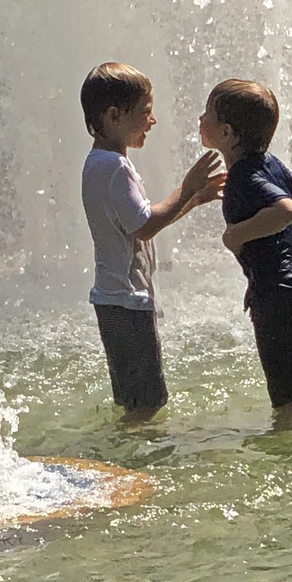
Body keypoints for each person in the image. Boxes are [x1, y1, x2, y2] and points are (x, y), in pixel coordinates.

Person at [81, 62, 225, 420]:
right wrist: (187, 187)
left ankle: (126, 455)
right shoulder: (115, 167)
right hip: (127, 301)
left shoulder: (98, 163)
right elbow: (144, 225)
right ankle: (131, 465)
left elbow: (137, 222)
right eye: (145, 111)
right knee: (147, 402)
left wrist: (192, 201)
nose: (153, 120)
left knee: (135, 398)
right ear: (114, 116)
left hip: (114, 298)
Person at [199, 79, 292, 413]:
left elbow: (287, 210)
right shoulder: (271, 162)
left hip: (280, 296)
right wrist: (273, 249)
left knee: (287, 401)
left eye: (207, 114)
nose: (200, 119)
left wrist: (236, 236)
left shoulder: (243, 175)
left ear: (227, 133)